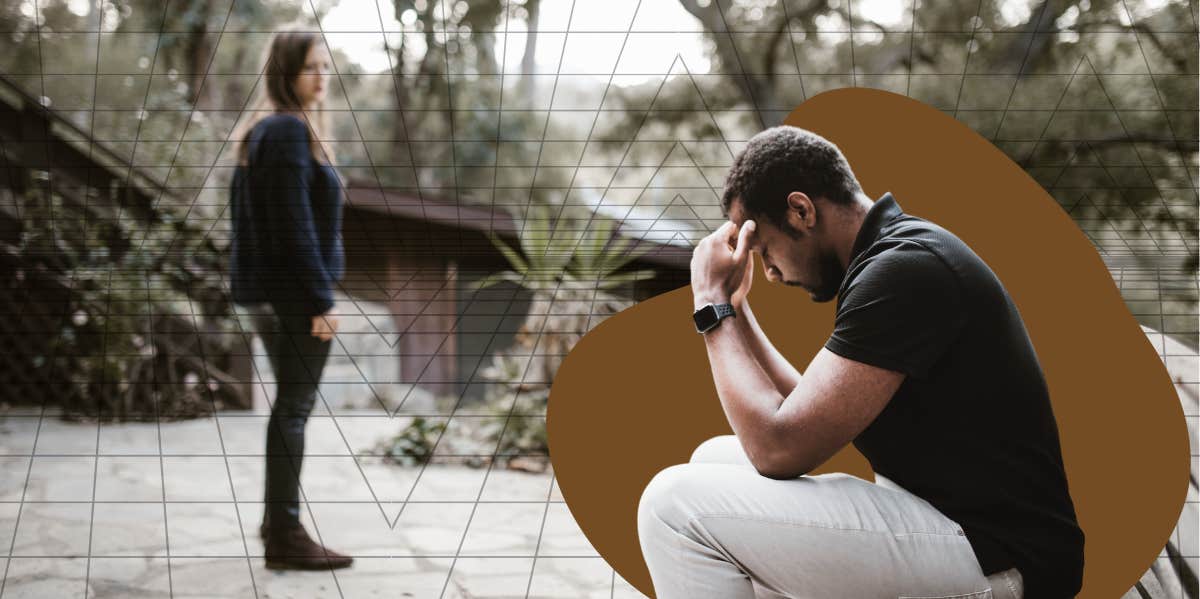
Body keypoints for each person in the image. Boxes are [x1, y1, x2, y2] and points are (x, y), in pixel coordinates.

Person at [637, 126, 1084, 598]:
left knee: (673, 506)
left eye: (765, 249)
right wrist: (735, 308)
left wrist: (711, 306)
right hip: (946, 524)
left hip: (1002, 559)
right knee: (715, 460)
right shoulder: (889, 256)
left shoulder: (906, 269)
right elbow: (804, 408)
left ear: (801, 210)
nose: (768, 272)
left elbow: (778, 449)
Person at [228, 27, 352, 570]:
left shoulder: (271, 131)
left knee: (289, 407)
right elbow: (292, 228)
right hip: (293, 298)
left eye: (326, 67)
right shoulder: (283, 132)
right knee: (294, 409)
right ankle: (285, 533)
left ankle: (277, 523)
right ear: (285, 73)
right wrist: (321, 299)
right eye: (310, 67)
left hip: (279, 295)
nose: (322, 77)